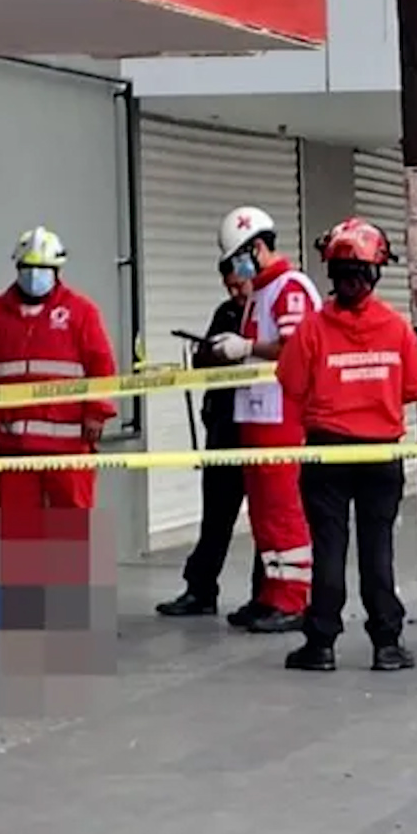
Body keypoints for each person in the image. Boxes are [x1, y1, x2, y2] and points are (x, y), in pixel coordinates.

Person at [276, 218, 417, 672]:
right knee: (377, 548)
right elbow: (415, 387)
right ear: (375, 272)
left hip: (327, 454)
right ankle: (386, 643)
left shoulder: (312, 330)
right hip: (381, 454)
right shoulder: (397, 329)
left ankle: (320, 644)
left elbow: (291, 381)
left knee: (329, 548)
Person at [205, 205, 323, 634]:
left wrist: (245, 347)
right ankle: (271, 594)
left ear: (257, 248)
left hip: (282, 417)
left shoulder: (291, 288)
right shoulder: (262, 291)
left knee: (284, 511)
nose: (233, 272)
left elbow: (295, 347)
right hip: (255, 415)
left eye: (236, 260)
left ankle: (293, 599)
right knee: (263, 514)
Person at [0, 226, 116, 510]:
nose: (35, 275)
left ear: (57, 270)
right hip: (15, 447)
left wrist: (97, 412)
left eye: (43, 268)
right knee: (20, 534)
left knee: (73, 531)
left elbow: (101, 364)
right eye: (28, 267)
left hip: (69, 448)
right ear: (17, 267)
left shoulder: (81, 312)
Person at [156, 260, 261, 620]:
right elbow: (202, 363)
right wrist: (211, 352)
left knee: (267, 516)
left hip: (263, 425)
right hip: (224, 425)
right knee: (216, 516)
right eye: (229, 287)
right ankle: (200, 589)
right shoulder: (226, 314)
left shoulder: (267, 311)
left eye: (239, 285)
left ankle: (266, 595)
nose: (235, 293)